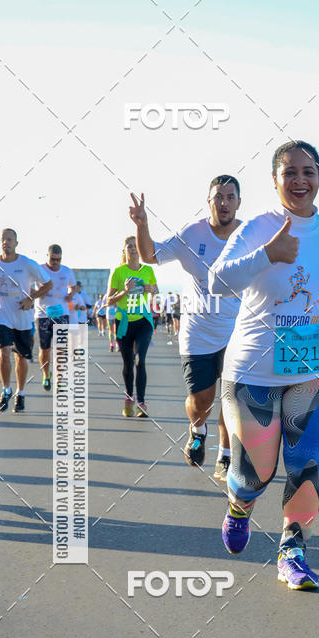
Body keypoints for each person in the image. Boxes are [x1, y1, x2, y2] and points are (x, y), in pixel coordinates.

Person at [209, 140, 319, 591]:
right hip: (252, 371)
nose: (300, 180)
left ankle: (292, 553)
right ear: (275, 180)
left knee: (308, 465)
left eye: (308, 171)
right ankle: (240, 503)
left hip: (313, 371)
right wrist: (267, 255)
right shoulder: (258, 228)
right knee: (255, 472)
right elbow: (217, 281)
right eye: (289, 172)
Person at [130, 175, 243, 481]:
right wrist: (142, 224)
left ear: (238, 202)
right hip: (198, 333)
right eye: (218, 196)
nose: (224, 202)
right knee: (202, 401)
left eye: (230, 197)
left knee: (232, 398)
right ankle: (197, 429)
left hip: (238, 333)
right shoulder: (192, 234)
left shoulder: (248, 236)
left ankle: (226, 455)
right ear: (209, 201)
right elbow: (149, 255)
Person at [0, 228, 52, 413]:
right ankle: (6, 390)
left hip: (22, 317)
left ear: (16, 243)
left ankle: (20, 393)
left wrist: (31, 298)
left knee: (21, 357)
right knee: (4, 352)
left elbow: (48, 284)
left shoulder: (27, 264)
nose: (6, 242)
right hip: (1, 316)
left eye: (10, 239)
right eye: (3, 239)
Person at [106, 236, 158, 418]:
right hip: (124, 322)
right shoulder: (118, 272)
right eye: (129, 246)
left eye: (136, 245)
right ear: (124, 250)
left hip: (143, 321)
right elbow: (108, 301)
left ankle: (141, 402)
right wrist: (125, 291)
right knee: (128, 362)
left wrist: (151, 289)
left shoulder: (148, 270)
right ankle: (129, 397)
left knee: (140, 360)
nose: (133, 249)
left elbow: (155, 289)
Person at [34, 244, 76, 391]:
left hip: (62, 314)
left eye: (58, 259)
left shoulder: (67, 271)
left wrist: (71, 293)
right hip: (43, 314)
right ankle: (46, 374)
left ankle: (60, 379)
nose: (56, 262)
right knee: (45, 349)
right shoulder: (39, 269)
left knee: (61, 349)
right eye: (53, 259)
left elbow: (73, 286)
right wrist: (39, 292)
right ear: (47, 256)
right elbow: (29, 287)